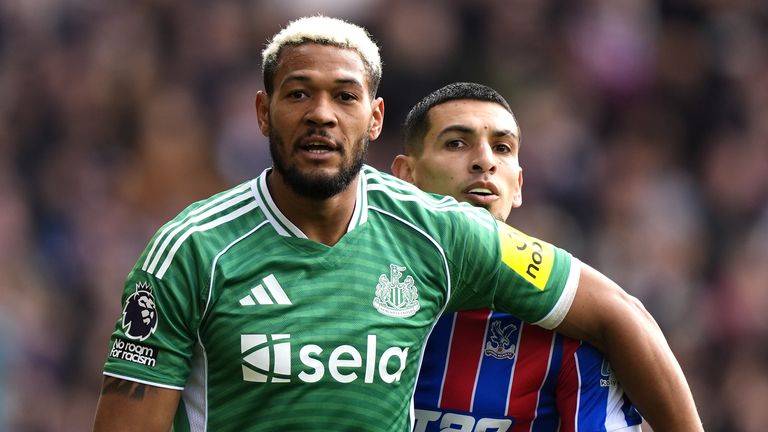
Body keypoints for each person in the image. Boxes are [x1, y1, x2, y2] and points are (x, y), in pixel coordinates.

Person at [92, 15, 702, 432]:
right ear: (263, 113)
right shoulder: (191, 252)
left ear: (376, 117)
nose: (322, 114)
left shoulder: (440, 232)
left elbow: (620, 314)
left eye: (345, 96)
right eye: (298, 94)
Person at [392, 82, 643, 431]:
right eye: (456, 143)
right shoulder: (359, 292)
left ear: (519, 186)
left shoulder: (570, 329)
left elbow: (630, 318)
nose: (485, 161)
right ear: (406, 177)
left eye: (502, 148)